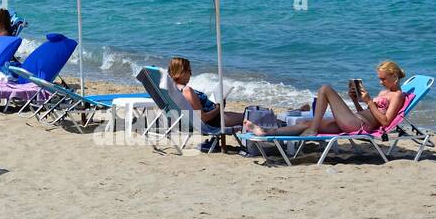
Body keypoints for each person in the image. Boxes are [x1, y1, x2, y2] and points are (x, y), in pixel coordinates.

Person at [244, 61, 407, 138]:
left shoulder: (397, 95)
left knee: (325, 89)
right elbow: (367, 112)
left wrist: (370, 101)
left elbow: (385, 122)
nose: (381, 82)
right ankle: (265, 133)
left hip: (359, 124)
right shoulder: (383, 91)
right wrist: (356, 100)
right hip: (354, 118)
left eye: (383, 79)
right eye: (379, 78)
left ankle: (313, 130)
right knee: (305, 124)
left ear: (394, 76)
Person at [165, 56, 243, 129]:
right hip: (213, 121)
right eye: (189, 71)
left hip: (209, 118)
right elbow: (203, 118)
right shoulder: (186, 91)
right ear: (181, 72)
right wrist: (219, 108)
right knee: (248, 117)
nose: (191, 74)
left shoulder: (170, 89)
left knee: (247, 115)